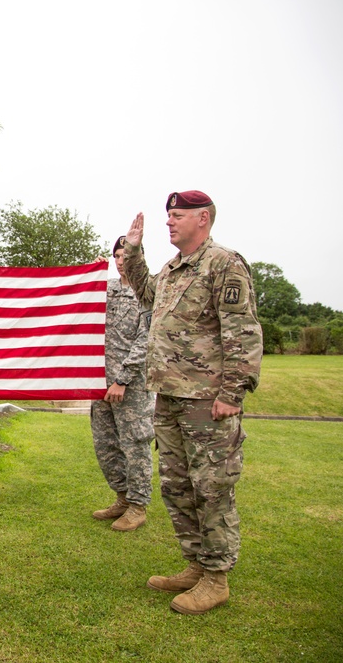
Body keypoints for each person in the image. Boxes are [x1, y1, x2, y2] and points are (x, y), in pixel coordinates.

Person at [123, 190, 263, 615]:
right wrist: (132, 252)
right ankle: (195, 566)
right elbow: (148, 297)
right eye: (168, 215)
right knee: (178, 486)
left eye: (178, 215)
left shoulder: (224, 263)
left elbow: (241, 330)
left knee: (212, 486)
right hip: (169, 395)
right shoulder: (172, 268)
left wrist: (231, 393)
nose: (170, 221)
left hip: (206, 399)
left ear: (203, 219)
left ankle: (216, 578)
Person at [90, 236, 155, 532]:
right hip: (98, 381)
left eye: (126, 255)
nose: (120, 261)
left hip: (131, 385)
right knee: (106, 443)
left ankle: (138, 506)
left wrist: (123, 378)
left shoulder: (149, 293)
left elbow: (147, 340)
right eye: (116, 255)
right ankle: (122, 497)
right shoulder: (105, 290)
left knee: (135, 444)